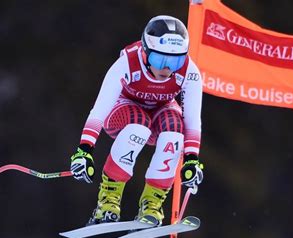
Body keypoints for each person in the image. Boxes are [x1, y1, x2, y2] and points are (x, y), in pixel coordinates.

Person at [70, 15, 204, 226]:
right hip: (123, 112)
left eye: (176, 61)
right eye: (160, 60)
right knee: (139, 125)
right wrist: (84, 150)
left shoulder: (189, 72)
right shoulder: (128, 62)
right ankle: (108, 201)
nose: (167, 69)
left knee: (175, 130)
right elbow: (100, 109)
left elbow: (192, 121)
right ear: (146, 51)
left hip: (161, 111)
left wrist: (191, 159)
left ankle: (152, 204)